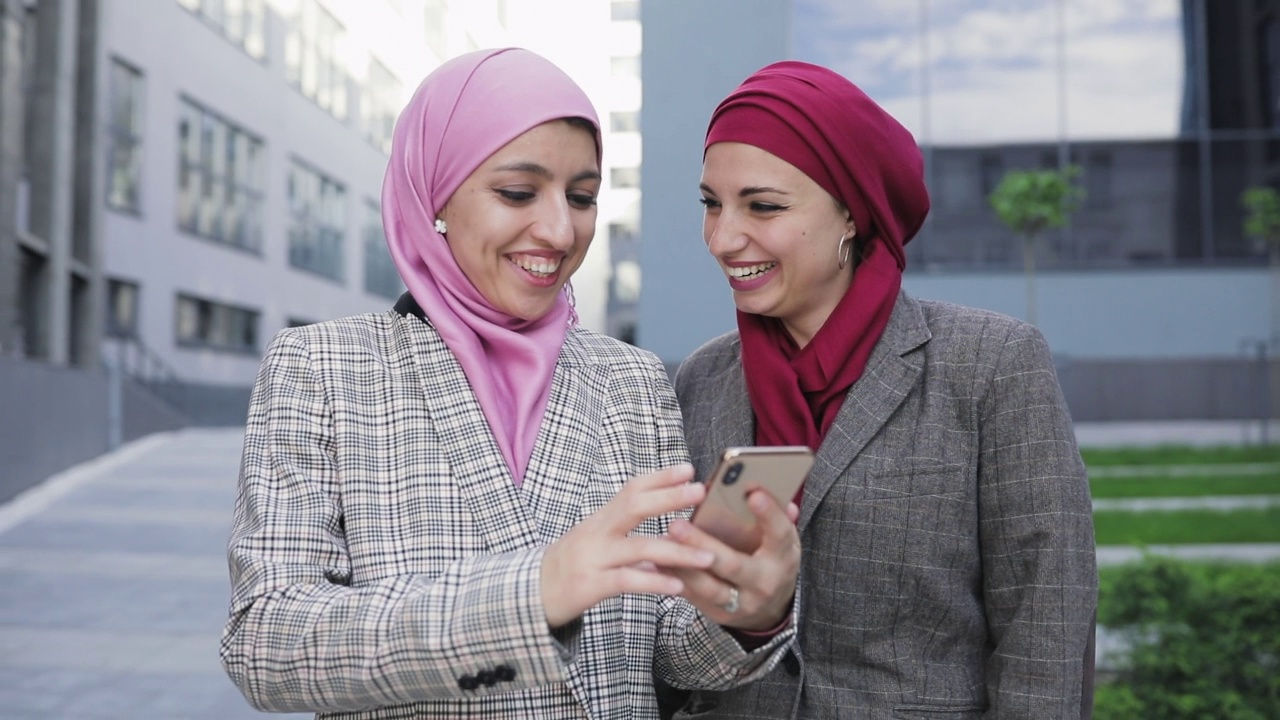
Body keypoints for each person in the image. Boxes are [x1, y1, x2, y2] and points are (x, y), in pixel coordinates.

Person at [220, 48, 800, 720]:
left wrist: (741, 610)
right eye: (518, 193)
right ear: (434, 195)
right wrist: (535, 593)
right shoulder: (324, 367)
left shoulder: (632, 380)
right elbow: (266, 644)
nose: (560, 230)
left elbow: (664, 654)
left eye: (582, 197)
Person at [668, 60, 1098, 719]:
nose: (723, 238)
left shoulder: (991, 364)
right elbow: (665, 625)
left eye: (763, 206)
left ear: (850, 213)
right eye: (710, 203)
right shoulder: (701, 379)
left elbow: (1046, 625)